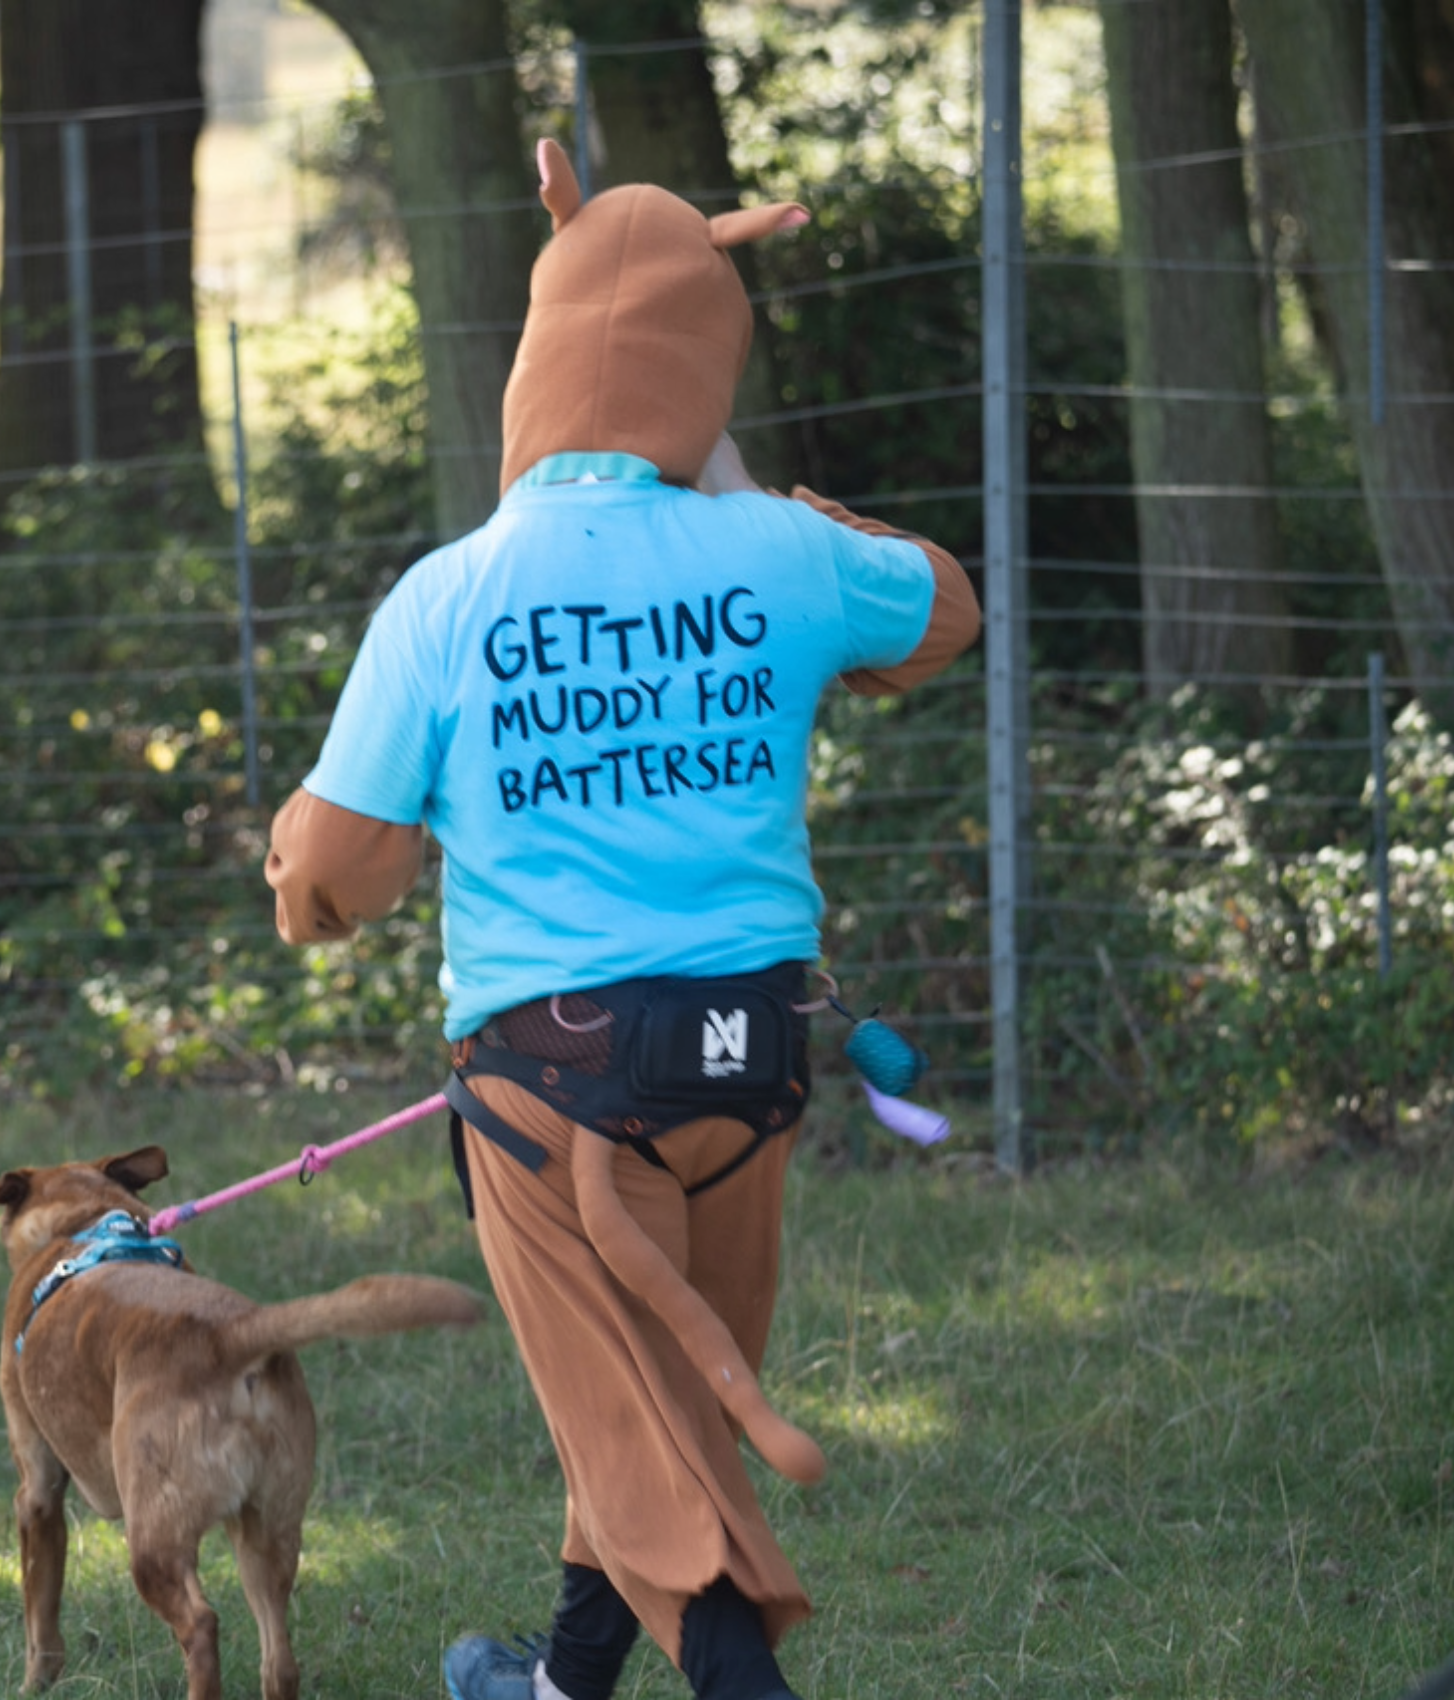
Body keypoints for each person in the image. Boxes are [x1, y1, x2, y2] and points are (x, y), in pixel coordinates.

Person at [264, 143, 977, 1700]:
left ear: (534, 358)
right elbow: (941, 609)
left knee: (648, 1425)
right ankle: (557, 1685)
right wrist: (726, 487)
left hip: (551, 1099)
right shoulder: (779, 556)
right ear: (701, 367)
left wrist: (307, 859)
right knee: (660, 1403)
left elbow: (325, 884)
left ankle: (735, 1678)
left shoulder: (446, 596)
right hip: (754, 1076)